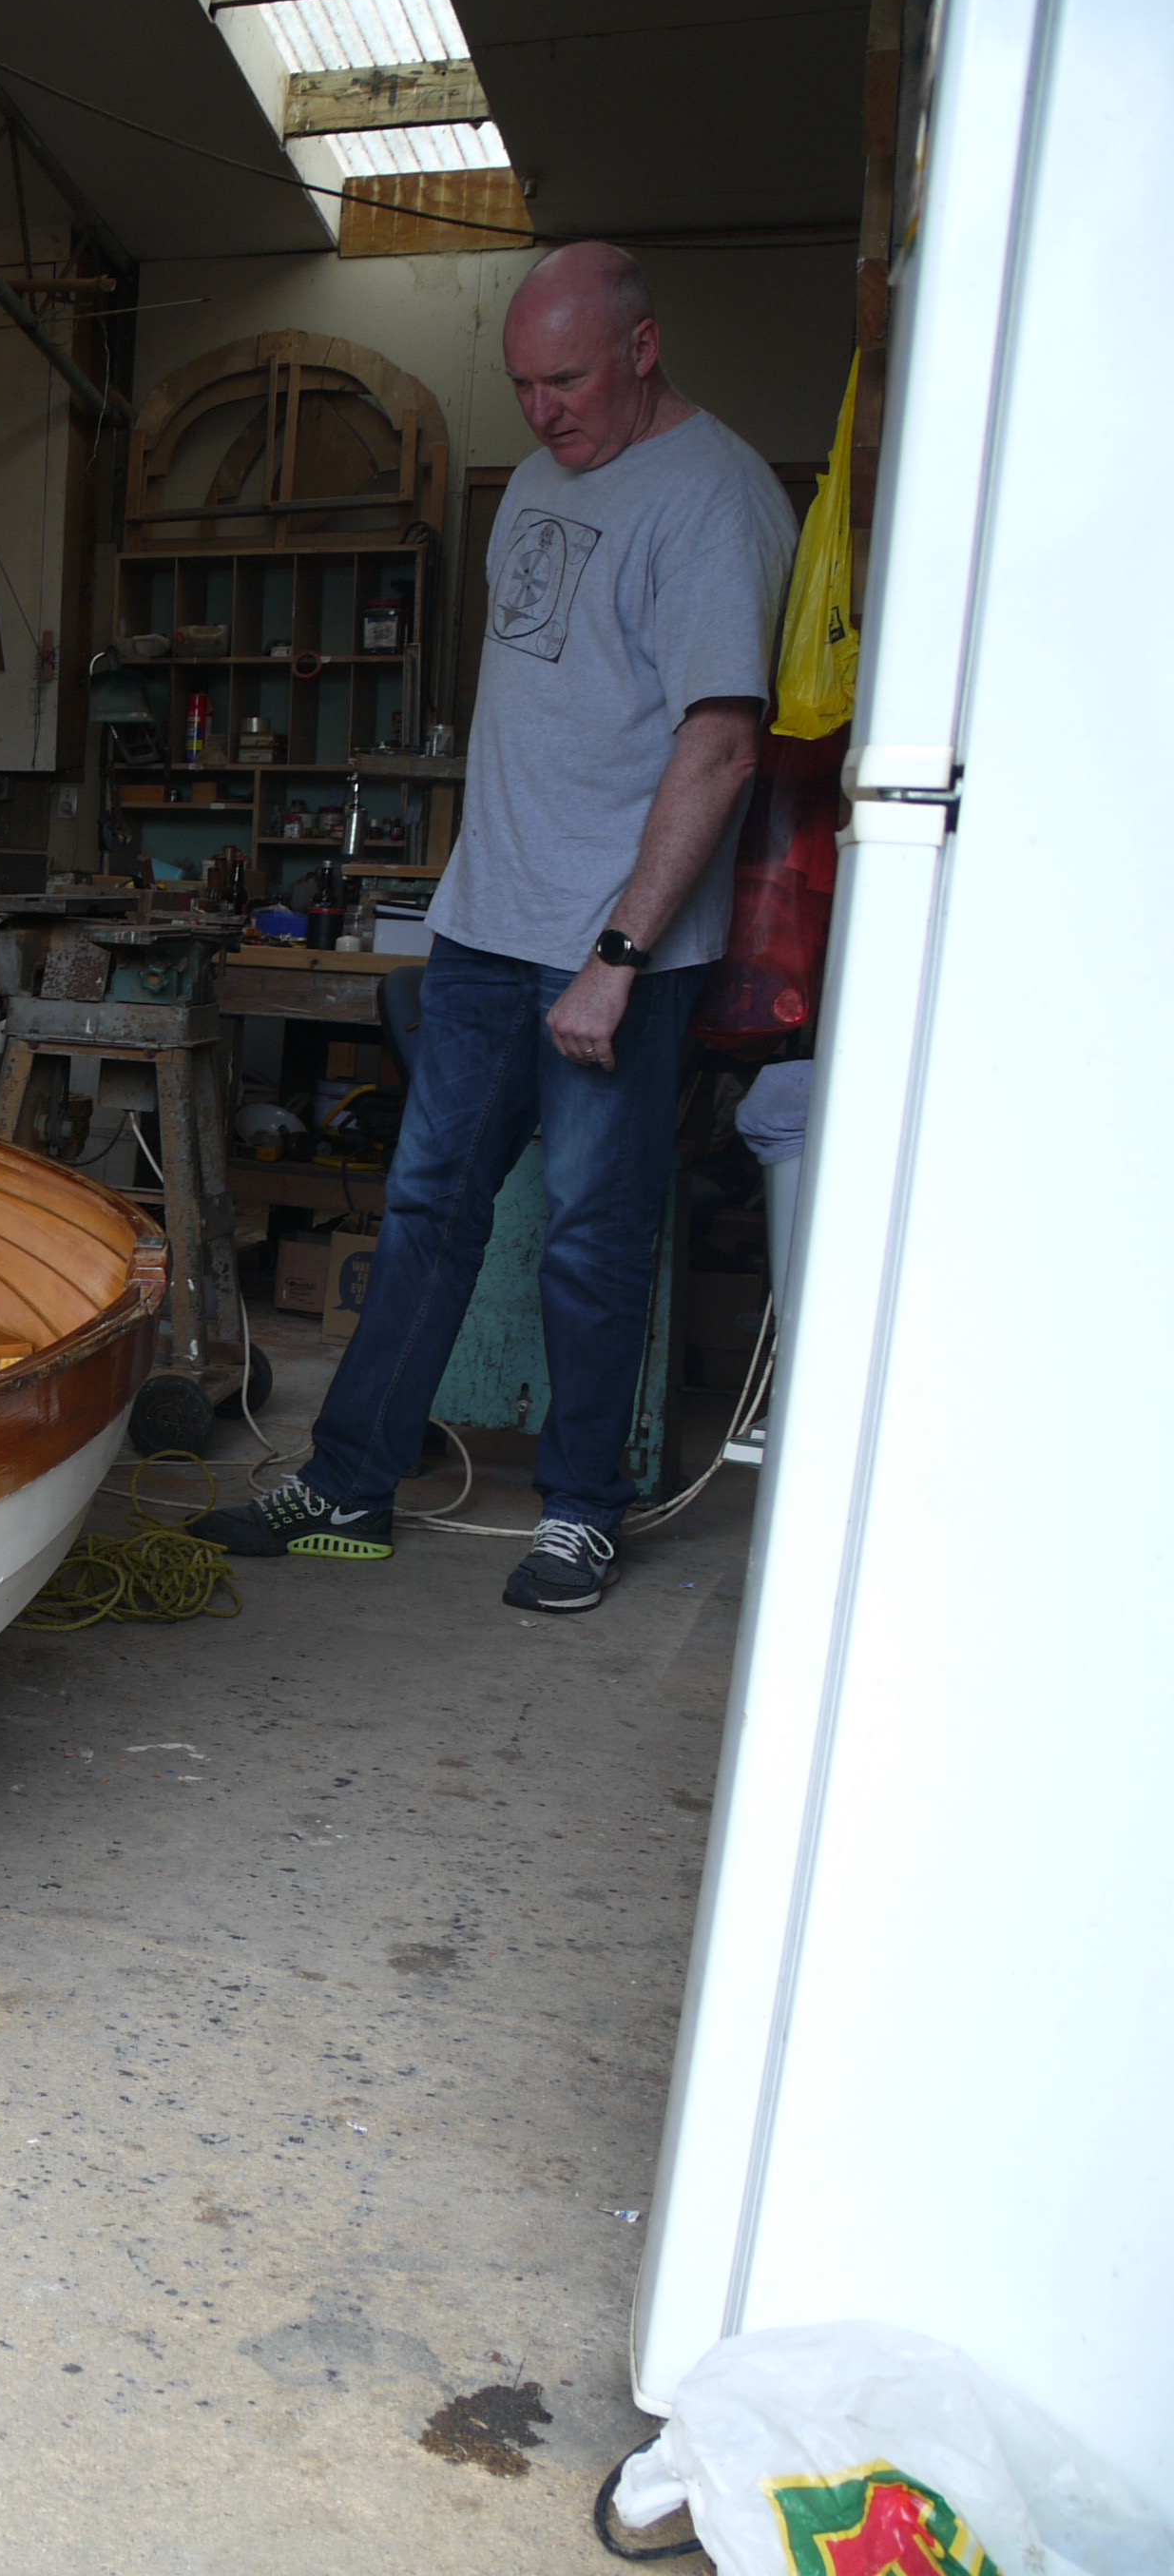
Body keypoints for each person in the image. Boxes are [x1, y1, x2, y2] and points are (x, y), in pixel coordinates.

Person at [202, 243, 798, 1612]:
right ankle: (350, 1484)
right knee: (426, 1208)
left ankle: (582, 1511)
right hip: (484, 929)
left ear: (643, 348)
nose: (541, 410)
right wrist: (470, 903)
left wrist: (619, 959)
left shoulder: (715, 500)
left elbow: (719, 747)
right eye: (522, 383)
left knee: (592, 1233)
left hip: (615, 948)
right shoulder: (534, 479)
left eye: (566, 381)